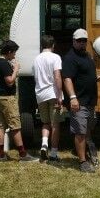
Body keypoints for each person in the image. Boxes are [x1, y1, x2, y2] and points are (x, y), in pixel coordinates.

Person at [62, 28, 100, 173]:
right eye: (79, 41)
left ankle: (82, 152)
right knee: (80, 132)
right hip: (79, 101)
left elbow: (86, 76)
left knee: (87, 130)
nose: (82, 43)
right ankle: (82, 162)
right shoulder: (70, 58)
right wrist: (73, 98)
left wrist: (99, 78)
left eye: (84, 41)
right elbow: (67, 78)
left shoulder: (87, 56)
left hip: (90, 101)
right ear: (74, 41)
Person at [0, 40, 38, 162]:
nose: (14, 55)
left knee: (1, 126)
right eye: (14, 53)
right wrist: (16, 69)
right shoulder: (4, 64)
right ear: (9, 52)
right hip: (7, 99)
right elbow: (10, 81)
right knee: (15, 127)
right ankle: (23, 155)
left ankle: (1, 155)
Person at [32, 34, 64, 162]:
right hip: (53, 93)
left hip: (40, 94)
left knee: (45, 122)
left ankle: (44, 144)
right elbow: (57, 77)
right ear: (53, 45)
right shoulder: (55, 57)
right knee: (55, 124)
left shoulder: (36, 59)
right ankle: (54, 154)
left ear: (41, 45)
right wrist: (60, 94)